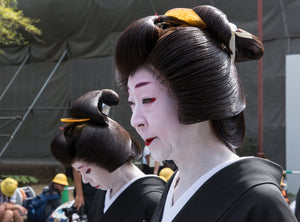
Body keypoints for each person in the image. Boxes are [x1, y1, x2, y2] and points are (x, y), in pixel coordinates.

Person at [114, 5, 297, 221]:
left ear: (196, 94)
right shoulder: (174, 185)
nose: (136, 121)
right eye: (132, 104)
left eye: (147, 100)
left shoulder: (258, 202)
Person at [50, 89, 165, 222]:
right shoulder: (103, 194)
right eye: (79, 172)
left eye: (87, 170)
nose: (85, 180)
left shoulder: (153, 200)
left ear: (107, 155)